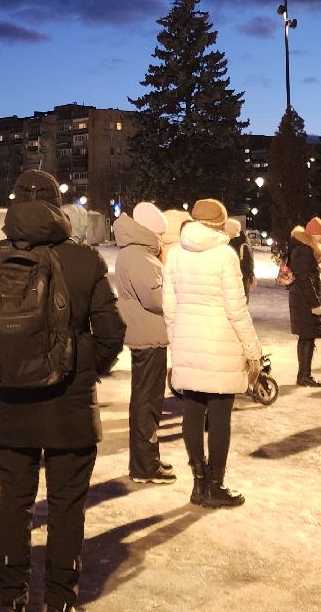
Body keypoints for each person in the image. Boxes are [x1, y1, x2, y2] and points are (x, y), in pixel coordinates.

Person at [0, 170, 125, 612]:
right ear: (56, 204)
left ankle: (12, 599)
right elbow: (111, 331)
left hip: (12, 402)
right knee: (66, 506)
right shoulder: (84, 260)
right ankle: (61, 599)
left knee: (15, 502)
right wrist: (87, 367)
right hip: (70, 407)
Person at [163, 217, 261, 508]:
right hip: (221, 341)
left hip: (187, 337)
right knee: (219, 418)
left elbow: (169, 306)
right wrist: (252, 349)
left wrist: (176, 338)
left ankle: (198, 483)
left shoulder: (176, 253)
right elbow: (236, 309)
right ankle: (215, 485)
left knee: (192, 412)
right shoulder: (225, 254)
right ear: (219, 224)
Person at [114, 201, 173, 484]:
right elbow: (156, 298)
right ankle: (144, 465)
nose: (162, 239)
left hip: (147, 335)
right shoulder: (139, 255)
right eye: (160, 234)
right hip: (148, 338)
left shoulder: (137, 253)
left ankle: (148, 460)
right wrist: (174, 289)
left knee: (147, 402)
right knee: (146, 403)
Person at [286, 217, 321, 387]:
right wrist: (315, 303)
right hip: (304, 300)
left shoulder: (302, 247)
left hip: (301, 298)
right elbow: (305, 278)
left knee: (306, 337)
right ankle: (304, 376)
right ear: (312, 234)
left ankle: (304, 374)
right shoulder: (305, 250)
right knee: (307, 337)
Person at [222, 218, 255, 295]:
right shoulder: (226, 242)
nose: (222, 230)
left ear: (230, 230)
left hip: (239, 282)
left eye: (224, 228)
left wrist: (249, 277)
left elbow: (248, 264)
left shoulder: (241, 244)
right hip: (229, 281)